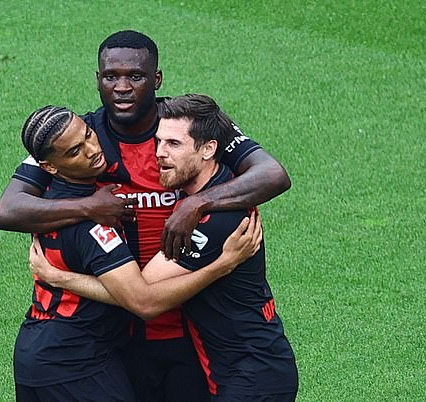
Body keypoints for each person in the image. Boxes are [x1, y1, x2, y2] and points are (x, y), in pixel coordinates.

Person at [0, 30, 291, 402]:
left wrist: (194, 204)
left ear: (156, 79)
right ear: (97, 80)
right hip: (123, 334)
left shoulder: (185, 126)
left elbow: (272, 174)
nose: (121, 88)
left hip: (188, 331)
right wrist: (89, 207)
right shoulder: (79, 138)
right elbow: (9, 210)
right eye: (110, 77)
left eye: (134, 76)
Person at [14, 104, 264, 402]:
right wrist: (223, 263)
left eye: (90, 136)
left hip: (36, 345)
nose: (92, 150)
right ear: (50, 167)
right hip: (77, 361)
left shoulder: (45, 205)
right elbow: (141, 300)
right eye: (74, 152)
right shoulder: (94, 226)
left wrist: (56, 276)